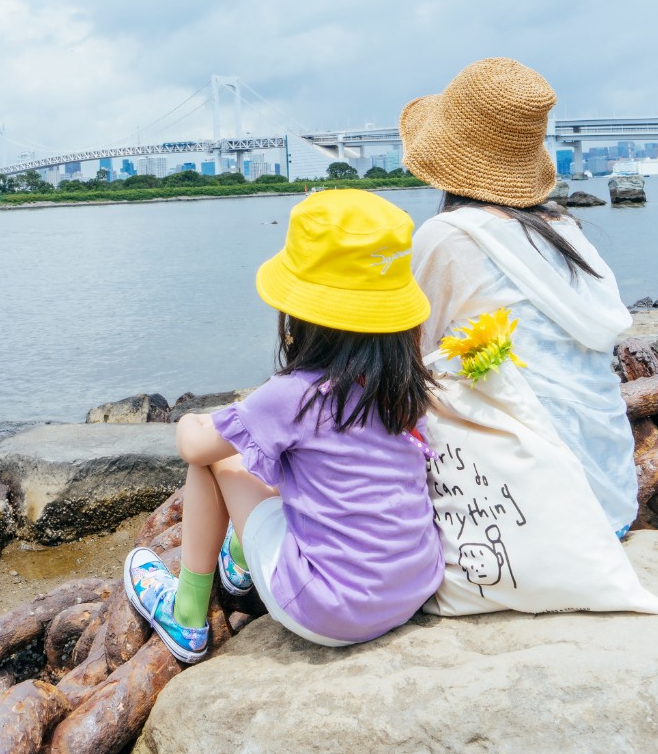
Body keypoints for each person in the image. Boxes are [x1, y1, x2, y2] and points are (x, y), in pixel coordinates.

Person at [123, 190, 445, 661]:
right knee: (302, 468)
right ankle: (238, 559)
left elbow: (195, 447)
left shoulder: (294, 394)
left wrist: (194, 419)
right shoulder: (406, 385)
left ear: (301, 317)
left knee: (216, 463)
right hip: (413, 588)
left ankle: (187, 612)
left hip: (326, 610)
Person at [400, 57, 641, 536]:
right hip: (609, 504)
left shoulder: (447, 235)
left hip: (514, 511)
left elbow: (410, 357)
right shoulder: (567, 232)